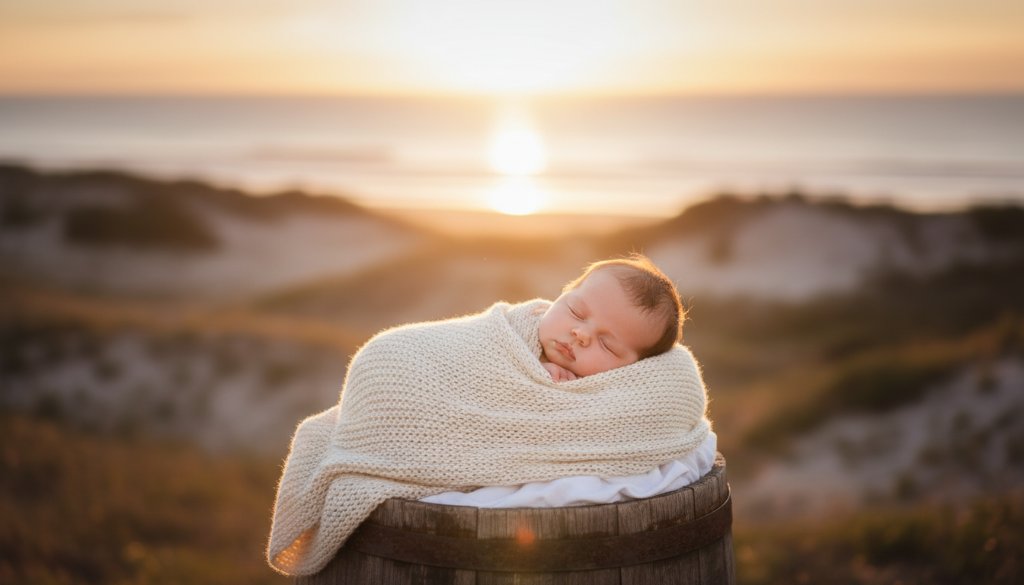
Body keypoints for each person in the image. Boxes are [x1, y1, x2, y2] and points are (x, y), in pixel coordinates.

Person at [538, 254, 683, 382]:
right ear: (564, 293)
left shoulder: (616, 399)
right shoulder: (521, 325)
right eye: (576, 312)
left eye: (606, 345)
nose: (581, 334)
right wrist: (536, 367)